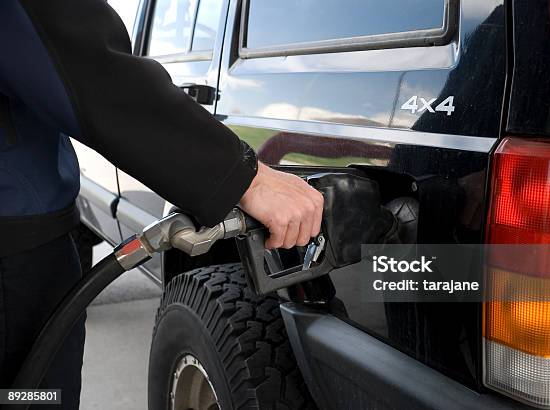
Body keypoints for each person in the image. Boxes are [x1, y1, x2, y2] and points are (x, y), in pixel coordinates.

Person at [0, 0, 323, 408]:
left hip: (18, 235)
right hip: (14, 253)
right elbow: (82, 59)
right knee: (32, 398)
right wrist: (241, 175)